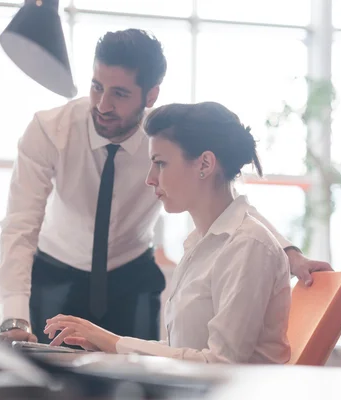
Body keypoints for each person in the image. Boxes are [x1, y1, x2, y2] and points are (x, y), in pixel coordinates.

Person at [0, 29, 331, 344]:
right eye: (97, 87)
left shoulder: (167, 140)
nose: (102, 104)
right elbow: (19, 225)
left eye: (120, 94)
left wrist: (289, 253)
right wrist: (14, 318)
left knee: (139, 379)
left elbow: (225, 198)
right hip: (55, 270)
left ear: (151, 94)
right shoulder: (48, 130)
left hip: (132, 275)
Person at [44, 102, 291, 364]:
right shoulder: (202, 244)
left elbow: (221, 363)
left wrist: (113, 343)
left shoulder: (247, 245)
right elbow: (185, 349)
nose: (150, 178)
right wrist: (108, 347)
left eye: (160, 163)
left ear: (205, 164)